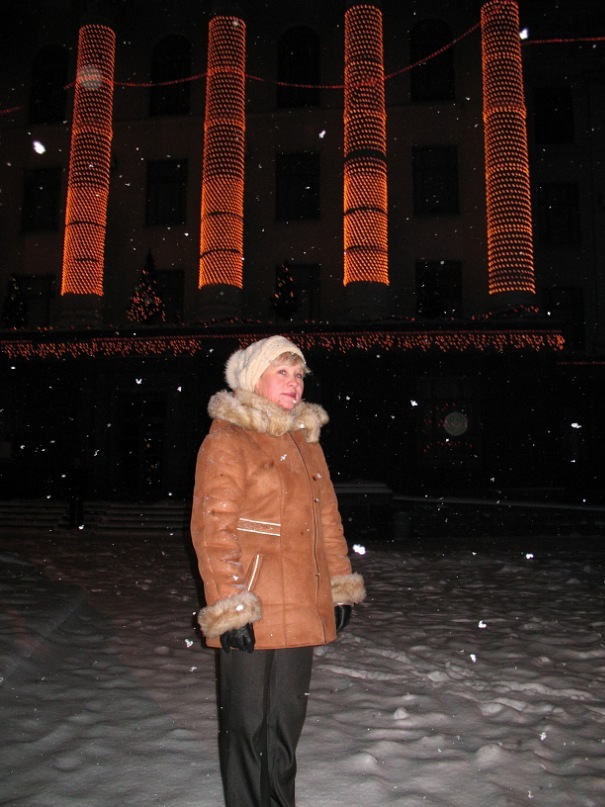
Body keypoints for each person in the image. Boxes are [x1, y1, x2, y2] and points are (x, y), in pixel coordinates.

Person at [190, 334, 366, 807]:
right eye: (282, 373)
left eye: (298, 374)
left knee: (285, 724)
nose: (294, 383)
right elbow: (213, 528)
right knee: (246, 725)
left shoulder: (306, 443)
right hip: (254, 605)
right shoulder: (228, 439)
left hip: (302, 601)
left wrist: (339, 586)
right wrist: (230, 605)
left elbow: (328, 522)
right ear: (254, 379)